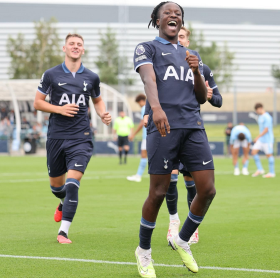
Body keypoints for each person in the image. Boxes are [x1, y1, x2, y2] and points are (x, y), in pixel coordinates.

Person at [133, 2, 216, 276]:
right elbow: (149, 81)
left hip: (193, 126)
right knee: (157, 192)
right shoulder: (147, 48)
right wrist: (156, 109)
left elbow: (203, 97)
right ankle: (143, 252)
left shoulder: (191, 54)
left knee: (207, 190)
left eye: (178, 14)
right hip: (164, 126)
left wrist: (195, 71)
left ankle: (181, 240)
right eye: (167, 13)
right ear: (156, 19)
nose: (173, 16)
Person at [144, 25, 222, 245]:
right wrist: (147, 113)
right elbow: (154, 91)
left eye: (182, 37)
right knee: (169, 182)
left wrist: (208, 94)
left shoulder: (201, 66)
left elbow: (217, 99)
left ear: (187, 41)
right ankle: (173, 220)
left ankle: (189, 228)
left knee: (193, 184)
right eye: (176, 36)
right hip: (167, 128)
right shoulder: (160, 60)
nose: (178, 39)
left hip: (191, 128)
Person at [33, 33, 111, 244]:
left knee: (73, 183)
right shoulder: (51, 74)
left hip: (81, 137)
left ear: (83, 50)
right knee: (57, 188)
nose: (75, 47)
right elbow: (38, 103)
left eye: (79, 44)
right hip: (56, 137)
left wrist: (103, 113)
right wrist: (59, 109)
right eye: (72, 44)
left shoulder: (92, 77)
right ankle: (61, 201)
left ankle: (63, 231)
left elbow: (98, 99)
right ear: (64, 49)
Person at [127, 94, 147, 182]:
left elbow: (142, 122)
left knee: (144, 155)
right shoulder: (152, 107)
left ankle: (138, 176)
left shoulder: (144, 108)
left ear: (141, 101)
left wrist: (133, 134)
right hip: (152, 136)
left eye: (139, 103)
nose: (139, 105)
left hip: (147, 136)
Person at [251, 103, 275, 178]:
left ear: (260, 108)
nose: (256, 112)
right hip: (261, 140)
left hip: (268, 140)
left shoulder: (267, 117)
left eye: (257, 110)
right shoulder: (260, 117)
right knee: (253, 152)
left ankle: (272, 173)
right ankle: (260, 169)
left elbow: (266, 129)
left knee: (269, 155)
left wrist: (257, 137)